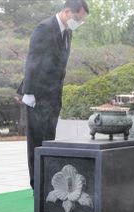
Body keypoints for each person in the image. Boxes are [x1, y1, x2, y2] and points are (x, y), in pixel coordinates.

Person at [19, 0, 89, 189]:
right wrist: (29, 92)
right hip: (37, 94)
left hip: (53, 94)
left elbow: (60, 66)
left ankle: (47, 180)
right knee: (36, 141)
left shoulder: (68, 32)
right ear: (67, 11)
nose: (78, 23)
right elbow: (33, 60)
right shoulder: (44, 28)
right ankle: (37, 184)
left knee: (49, 138)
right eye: (77, 18)